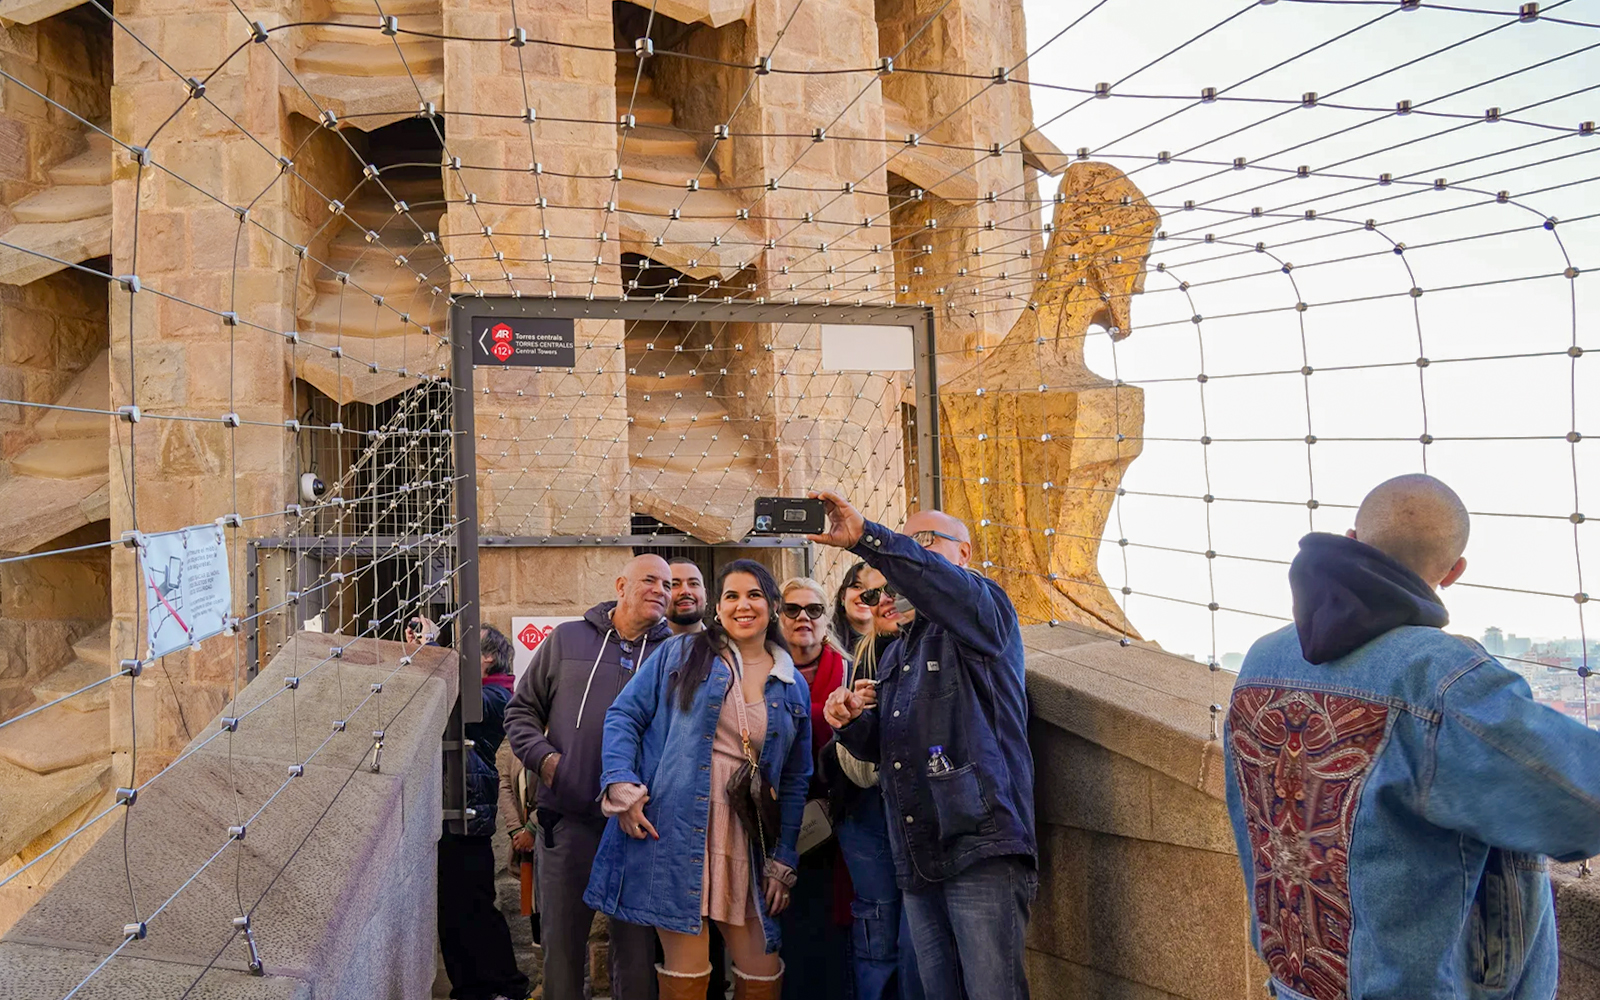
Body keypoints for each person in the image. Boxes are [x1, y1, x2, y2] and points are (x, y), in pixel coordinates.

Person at [1224, 474, 1600, 1000]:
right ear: (1454, 572)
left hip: (1295, 981)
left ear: (1352, 538)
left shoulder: (1261, 661)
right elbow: (1583, 803)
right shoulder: (1442, 681)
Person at [819, 493, 1035, 1000]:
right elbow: (892, 748)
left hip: (981, 844)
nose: (912, 554)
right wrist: (849, 723)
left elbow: (936, 584)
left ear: (965, 554)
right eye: (907, 543)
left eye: (926, 542)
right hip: (918, 851)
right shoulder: (900, 649)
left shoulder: (985, 609)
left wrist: (870, 537)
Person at [585, 559, 813, 1000]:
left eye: (753, 595)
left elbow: (796, 778)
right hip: (675, 832)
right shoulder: (682, 653)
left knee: (762, 971)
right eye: (731, 595)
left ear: (772, 606)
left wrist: (784, 860)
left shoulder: (791, 684)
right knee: (688, 973)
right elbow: (624, 716)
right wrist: (620, 783)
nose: (742, 605)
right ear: (718, 607)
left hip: (747, 839)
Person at [504, 555, 675, 1000]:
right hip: (568, 818)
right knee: (561, 947)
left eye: (669, 584)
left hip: (639, 825)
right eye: (650, 580)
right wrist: (550, 764)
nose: (661, 590)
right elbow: (521, 712)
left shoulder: (675, 652)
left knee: (637, 953)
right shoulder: (567, 639)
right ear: (621, 585)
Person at [831, 564, 925, 1000]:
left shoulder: (931, 643)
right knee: (879, 924)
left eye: (889, 590)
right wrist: (857, 718)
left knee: (920, 935)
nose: (882, 602)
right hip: (869, 812)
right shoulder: (866, 657)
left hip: (920, 811)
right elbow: (858, 765)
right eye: (869, 597)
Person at [439, 624, 533, 1000]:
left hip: (469, 817)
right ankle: (471, 989)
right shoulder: (489, 691)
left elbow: (458, 703)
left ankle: (507, 986)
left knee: (474, 906)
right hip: (453, 813)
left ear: (488, 657)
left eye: (464, 651)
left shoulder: (497, 695)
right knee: (453, 911)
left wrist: (433, 650)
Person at [773, 577, 850, 1000]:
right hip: (778, 823)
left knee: (834, 933)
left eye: (814, 610)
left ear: (826, 620)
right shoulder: (759, 670)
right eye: (792, 609)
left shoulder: (851, 671)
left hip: (839, 823)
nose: (803, 617)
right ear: (778, 617)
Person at [668, 557, 709, 635]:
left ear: (705, 595)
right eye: (674, 584)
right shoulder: (643, 645)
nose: (685, 591)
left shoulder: (723, 644)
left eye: (693, 584)